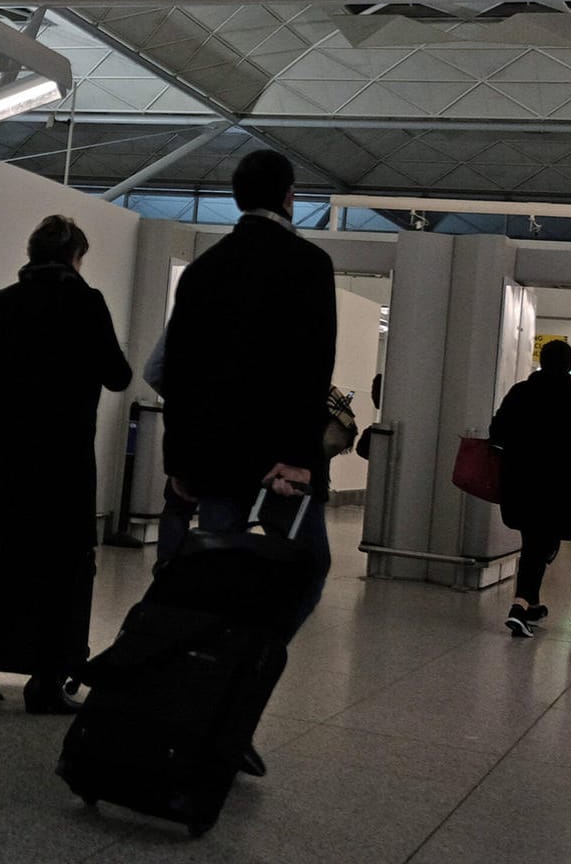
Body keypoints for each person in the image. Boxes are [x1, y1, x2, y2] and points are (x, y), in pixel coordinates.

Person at [158, 149, 337, 776]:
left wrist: (178, 459)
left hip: (213, 461)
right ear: (289, 198)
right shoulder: (310, 265)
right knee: (309, 565)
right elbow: (311, 366)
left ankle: (204, 694)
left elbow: (177, 371)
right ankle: (241, 671)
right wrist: (299, 457)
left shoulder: (204, 270)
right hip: (278, 468)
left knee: (215, 570)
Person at [0, 215, 132, 714]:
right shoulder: (87, 302)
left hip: (11, 451)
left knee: (13, 559)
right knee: (70, 565)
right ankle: (49, 678)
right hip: (66, 454)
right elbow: (117, 377)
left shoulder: (0, 303)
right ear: (76, 257)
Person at [490, 339, 571, 638]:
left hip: (521, 482)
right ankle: (519, 607)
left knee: (536, 541)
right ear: (569, 364)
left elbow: (498, 431)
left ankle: (531, 604)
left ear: (541, 361)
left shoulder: (521, 391)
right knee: (540, 543)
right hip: (560, 486)